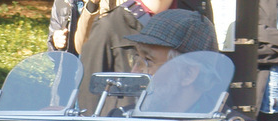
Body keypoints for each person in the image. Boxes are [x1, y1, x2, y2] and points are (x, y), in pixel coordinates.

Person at [74, 0, 209, 112]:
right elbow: (88, 93)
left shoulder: (195, 15)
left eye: (148, 61)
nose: (135, 71)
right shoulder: (110, 25)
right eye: (136, 60)